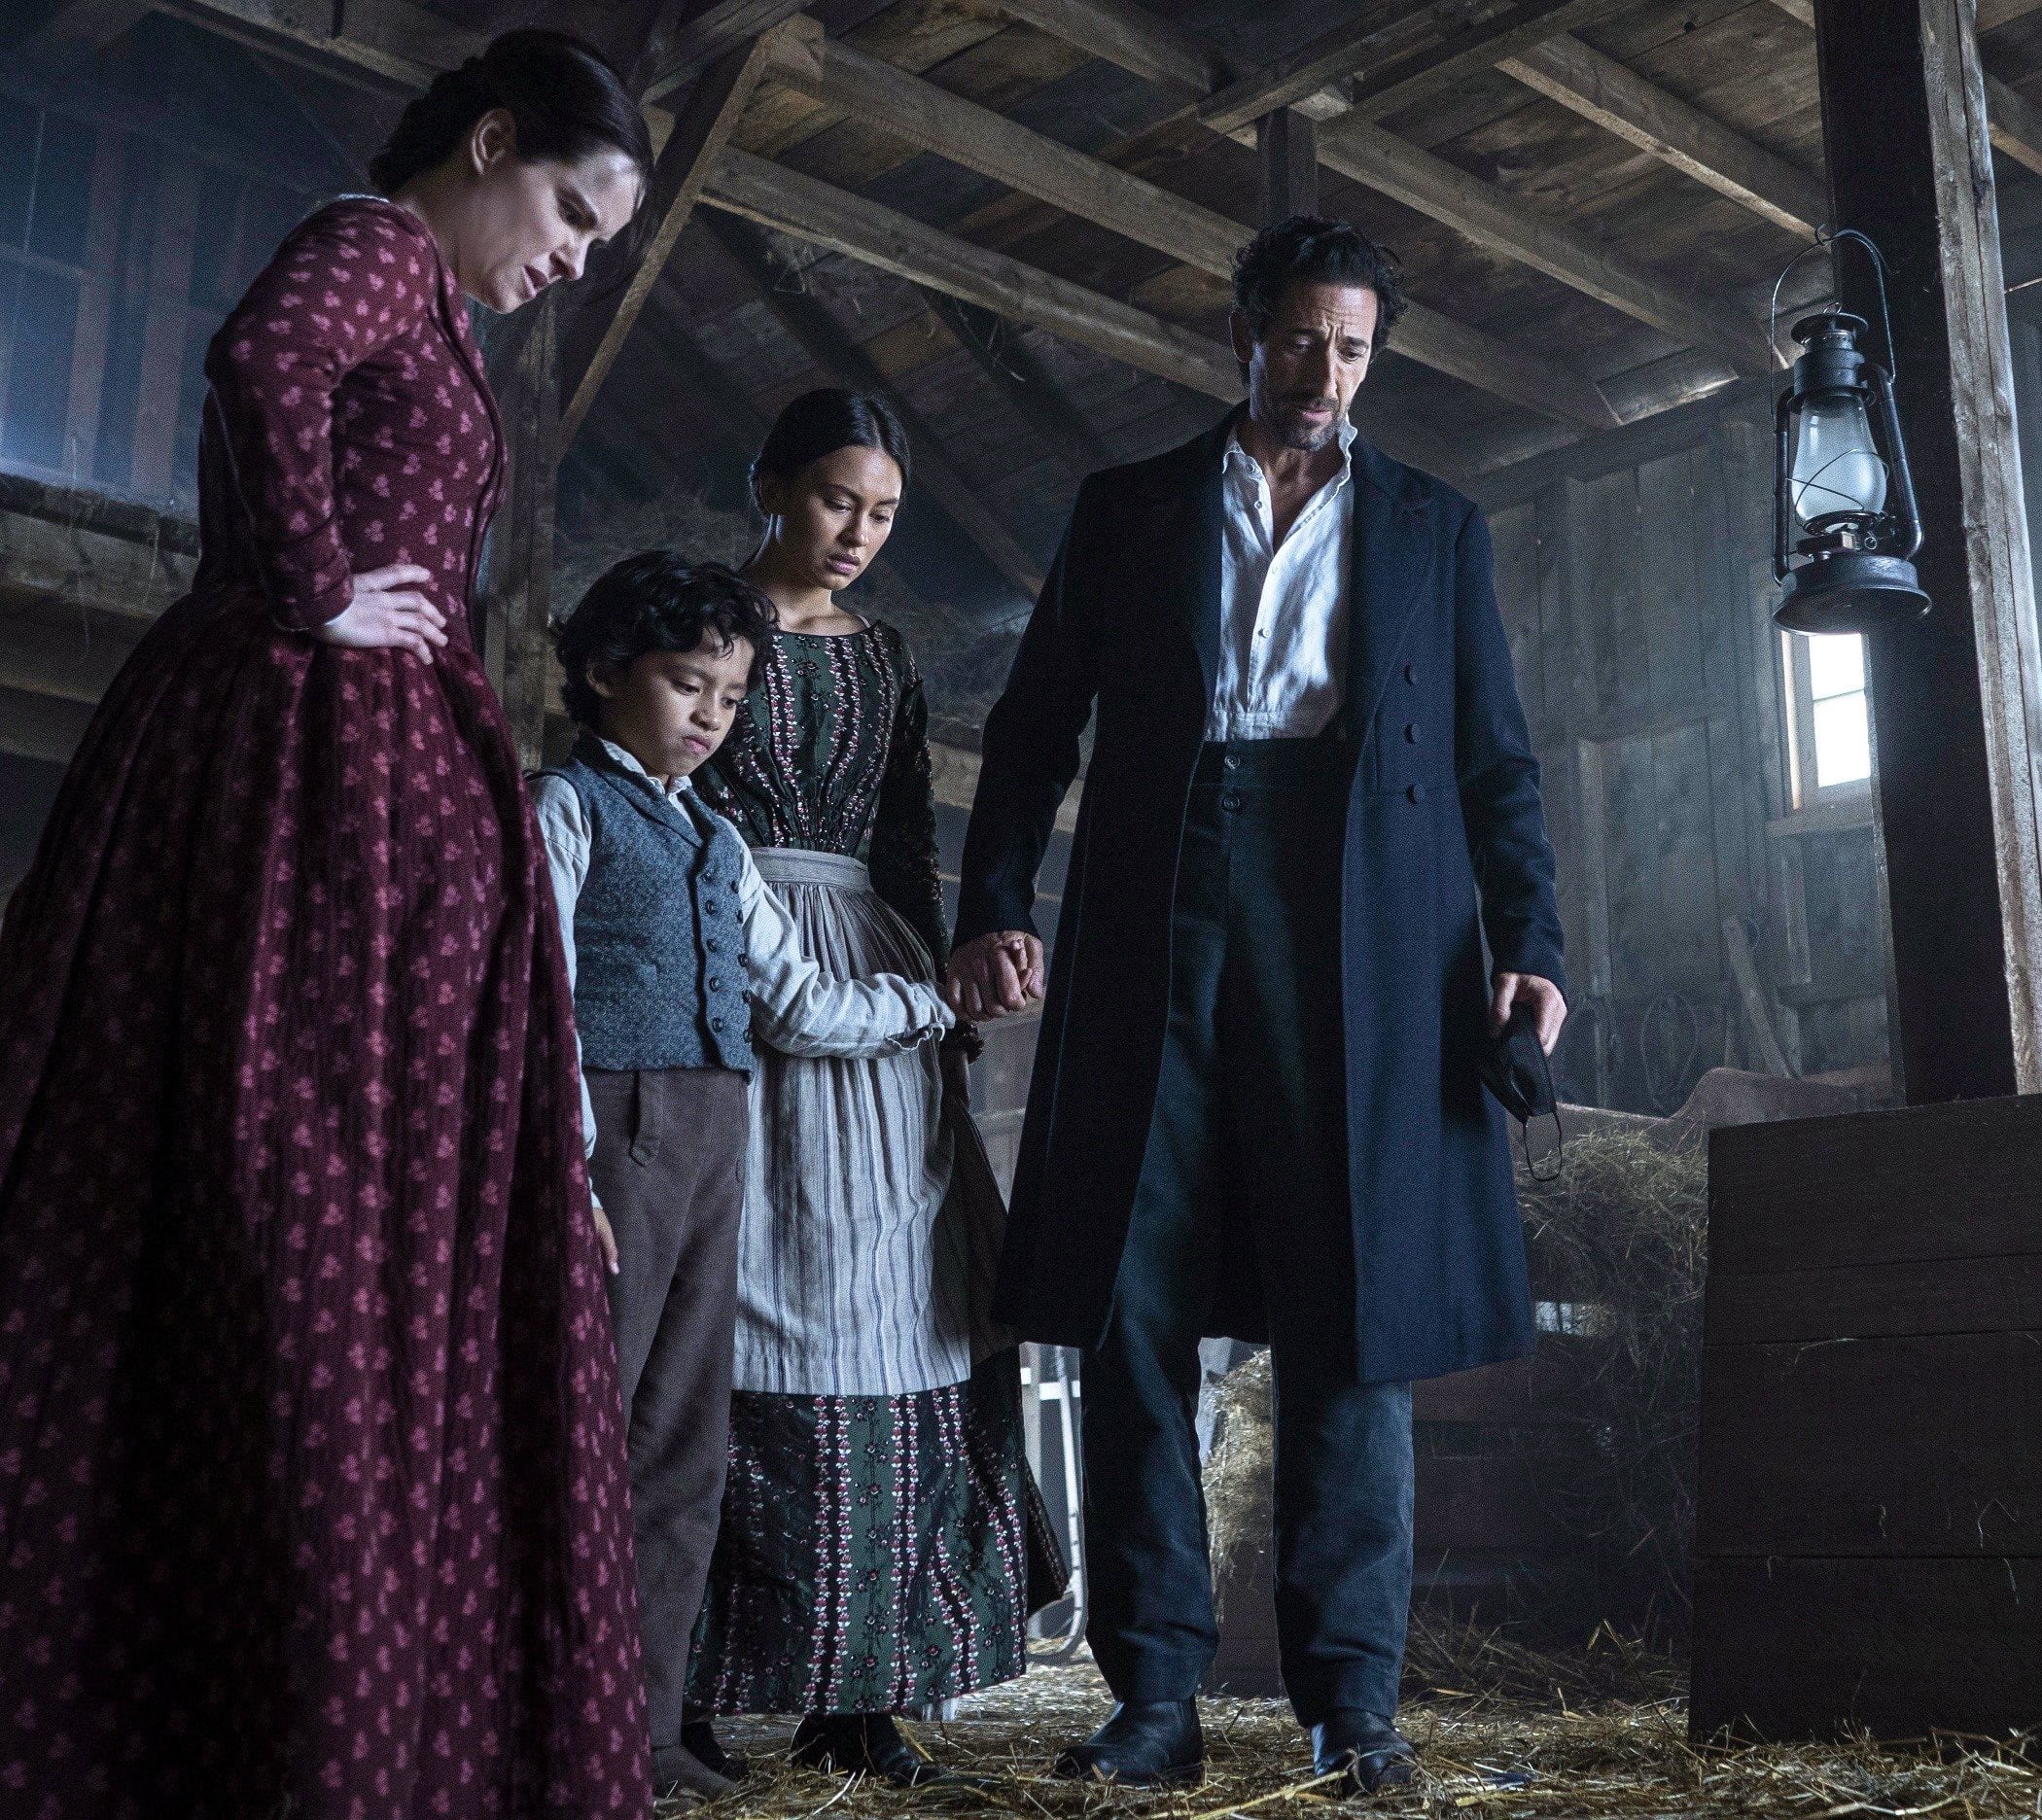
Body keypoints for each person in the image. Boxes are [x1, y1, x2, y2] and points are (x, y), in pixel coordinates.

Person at [0, 31, 657, 1820]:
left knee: (320, 1210)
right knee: (281, 1192)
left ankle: (312, 1709)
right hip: (300, 779)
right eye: (573, 214)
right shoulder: (376, 242)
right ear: (492, 141)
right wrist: (309, 588)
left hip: (363, 791)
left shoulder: (439, 307)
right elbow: (261, 358)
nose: (574, 261)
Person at [944, 216, 1568, 1793]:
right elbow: (1035, 725)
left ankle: (1352, 1705)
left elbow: (1496, 759)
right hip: (1159, 889)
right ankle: (1153, 1696)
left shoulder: (1434, 526)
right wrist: (996, 898)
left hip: (1368, 907)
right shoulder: (1131, 508)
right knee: (1133, 1292)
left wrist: (1533, 943)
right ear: (1243, 333)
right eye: (1299, 339)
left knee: (1355, 1301)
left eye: (1353, 349)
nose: (1324, 373)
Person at [531, 548, 963, 1807]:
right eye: (686, 685)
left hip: (718, 1143)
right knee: (583, 1432)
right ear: (603, 672)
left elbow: (801, 1001)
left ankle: (648, 1735)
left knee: (680, 1450)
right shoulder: (562, 808)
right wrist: (565, 1165)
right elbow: (538, 993)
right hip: (612, 1141)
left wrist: (934, 1003)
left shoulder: (718, 839)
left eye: (729, 695)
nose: (711, 716)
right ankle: (546, 1727)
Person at [677, 393, 1066, 1786]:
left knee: (897, 1289)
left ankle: (862, 1693)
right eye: (838, 500)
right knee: (732, 1290)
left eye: (885, 513)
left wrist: (943, 992)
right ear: (772, 486)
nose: (858, 534)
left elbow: (902, 839)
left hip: (879, 972)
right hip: (731, 951)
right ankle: (683, 1684)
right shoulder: (700, 626)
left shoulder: (889, 657)